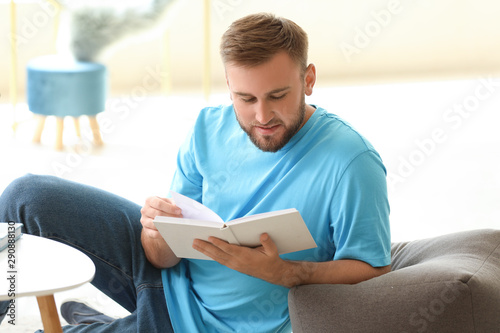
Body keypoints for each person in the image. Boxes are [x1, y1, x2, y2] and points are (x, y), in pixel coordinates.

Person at [0, 13, 391, 333]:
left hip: (209, 325)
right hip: (168, 278)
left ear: (308, 79)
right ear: (229, 85)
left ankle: (101, 324)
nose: (261, 116)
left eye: (277, 96)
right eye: (245, 98)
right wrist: (158, 233)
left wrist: (285, 272)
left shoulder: (351, 162)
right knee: (24, 196)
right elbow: (162, 256)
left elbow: (373, 272)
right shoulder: (209, 127)